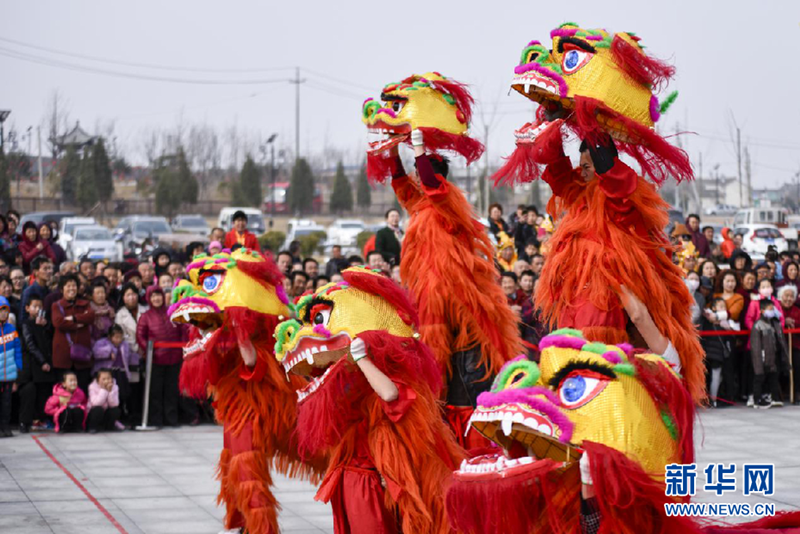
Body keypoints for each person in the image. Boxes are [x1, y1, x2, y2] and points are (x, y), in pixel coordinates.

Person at [136, 286, 187, 428]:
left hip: (174, 357)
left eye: (158, 295)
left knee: (172, 390)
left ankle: (171, 419)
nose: (156, 299)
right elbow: (140, 336)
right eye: (153, 296)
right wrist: (150, 350)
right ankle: (156, 420)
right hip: (155, 360)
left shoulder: (172, 313)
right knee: (155, 391)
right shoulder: (145, 317)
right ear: (149, 299)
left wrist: (183, 348)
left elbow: (183, 329)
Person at [18, 295, 56, 433]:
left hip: (44, 364)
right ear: (27, 308)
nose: (38, 309)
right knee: (29, 391)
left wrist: (45, 326)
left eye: (40, 306)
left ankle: (42, 419)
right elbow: (30, 345)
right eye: (35, 306)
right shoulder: (26, 324)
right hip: (31, 364)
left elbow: (50, 339)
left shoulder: (45, 323)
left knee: (44, 392)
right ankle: (26, 421)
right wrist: (42, 361)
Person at [51, 274, 95, 393]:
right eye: (68, 286)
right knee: (63, 391)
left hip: (82, 354)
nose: (71, 288)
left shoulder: (85, 303)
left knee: (82, 389)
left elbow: (90, 316)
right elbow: (58, 322)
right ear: (62, 289)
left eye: (74, 285)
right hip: (63, 356)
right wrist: (78, 325)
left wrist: (74, 318)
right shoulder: (56, 305)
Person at [750, 299, 790, 409]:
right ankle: (757, 399)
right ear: (762, 311)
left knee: (774, 376)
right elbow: (756, 346)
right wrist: (758, 360)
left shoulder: (776, 323)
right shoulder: (758, 325)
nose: (773, 311)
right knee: (759, 377)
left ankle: (775, 398)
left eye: (774, 309)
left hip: (775, 355)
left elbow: (781, 341)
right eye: (770, 309)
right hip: (763, 356)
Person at [115, 283, 146, 423]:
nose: (132, 298)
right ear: (123, 297)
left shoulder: (146, 310)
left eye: (134, 294)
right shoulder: (120, 315)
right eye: (128, 295)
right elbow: (121, 335)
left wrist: (144, 346)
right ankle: (133, 416)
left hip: (148, 352)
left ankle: (144, 415)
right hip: (130, 354)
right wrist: (136, 346)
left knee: (145, 387)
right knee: (133, 387)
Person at [701, 297, 737, 407]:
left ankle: (712, 398)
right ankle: (712, 399)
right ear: (713, 307)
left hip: (715, 352)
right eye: (720, 306)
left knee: (715, 376)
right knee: (712, 376)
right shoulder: (708, 319)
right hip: (711, 352)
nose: (723, 308)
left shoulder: (725, 323)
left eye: (724, 307)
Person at [0, 297, 21, 437]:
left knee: (7, 402)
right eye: (1, 311)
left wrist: (19, 365)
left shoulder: (12, 330)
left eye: (5, 311)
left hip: (9, 373)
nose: (3, 314)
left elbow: (18, 349)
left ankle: (5, 427)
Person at [777, 285, 800, 405]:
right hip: (779, 344)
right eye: (786, 295)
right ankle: (779, 392)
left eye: (791, 296)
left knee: (797, 364)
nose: (789, 298)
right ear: (781, 297)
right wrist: (784, 321)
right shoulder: (777, 308)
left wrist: (794, 323)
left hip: (795, 344)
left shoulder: (797, 310)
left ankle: (797, 392)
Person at [86, 369, 123, 433]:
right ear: (98, 380)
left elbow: (114, 404)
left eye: (109, 378)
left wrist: (110, 391)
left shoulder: (115, 387)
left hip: (106, 412)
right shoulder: (92, 387)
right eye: (103, 379)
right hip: (94, 412)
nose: (106, 381)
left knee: (116, 410)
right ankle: (93, 427)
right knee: (98, 409)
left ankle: (109, 427)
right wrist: (104, 390)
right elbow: (96, 403)